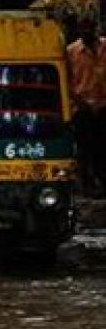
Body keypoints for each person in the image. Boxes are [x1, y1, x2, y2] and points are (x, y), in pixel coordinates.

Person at [67, 16, 106, 197]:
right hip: (82, 108)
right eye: (84, 29)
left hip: (104, 106)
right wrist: (82, 103)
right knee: (85, 148)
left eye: (90, 28)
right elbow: (68, 83)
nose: (87, 32)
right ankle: (87, 184)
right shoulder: (72, 52)